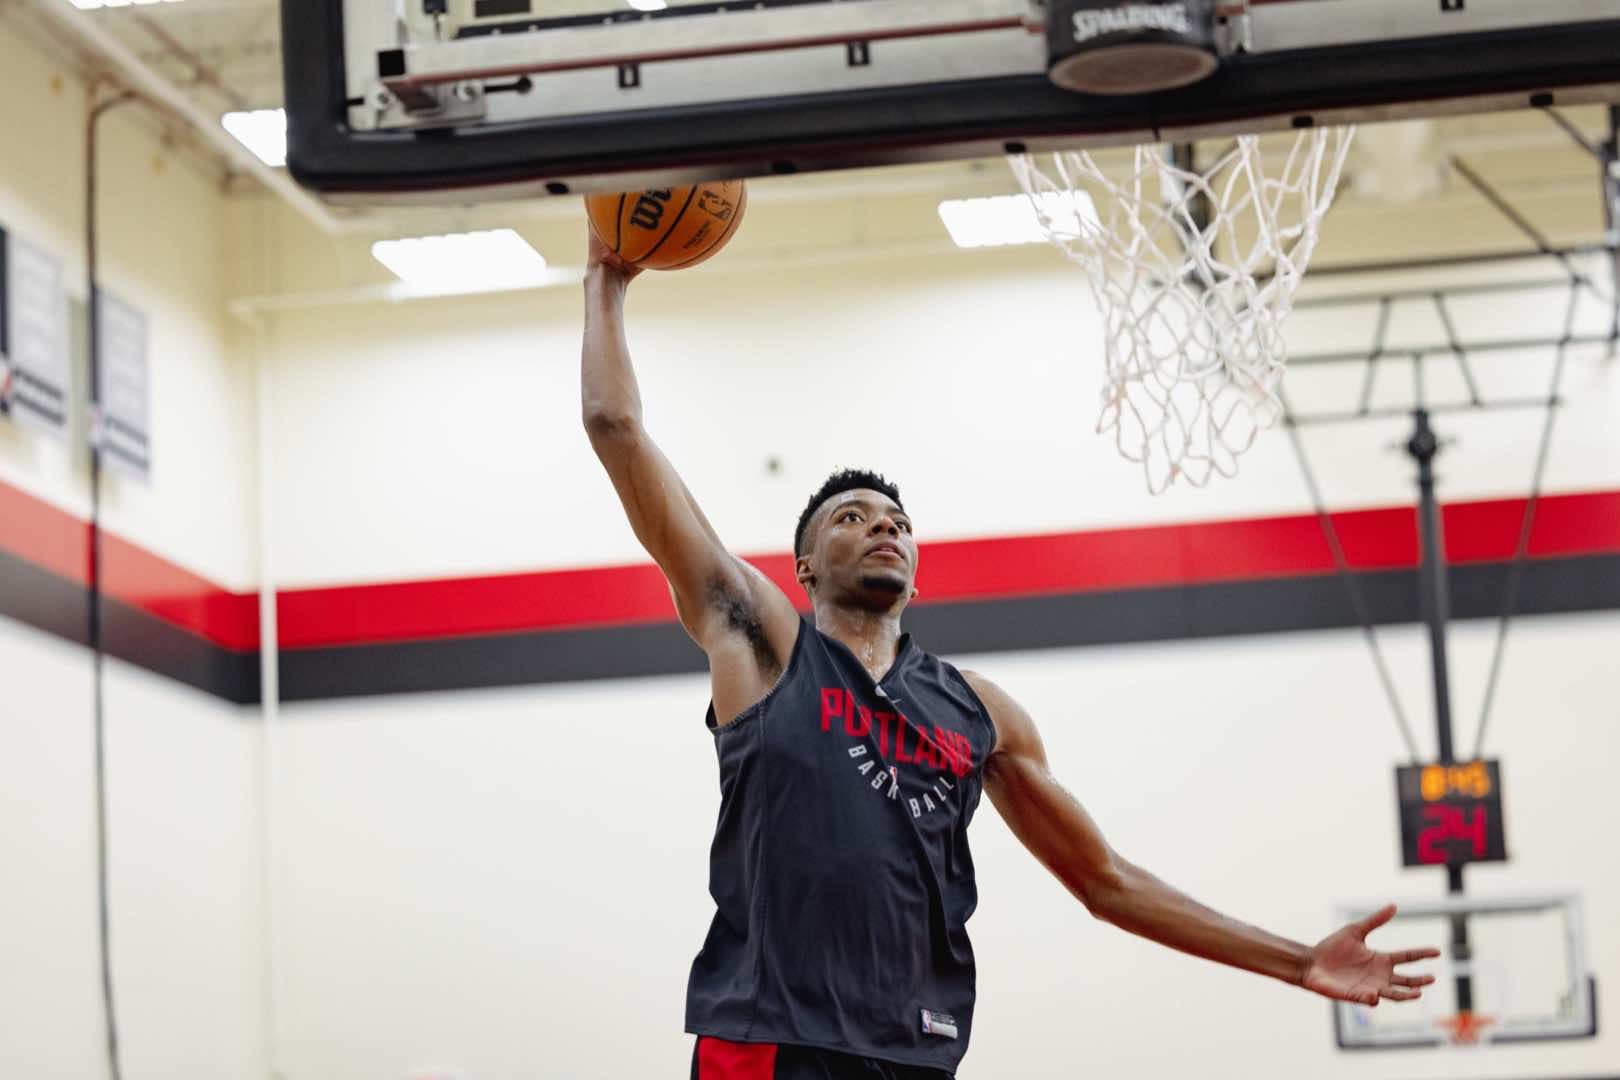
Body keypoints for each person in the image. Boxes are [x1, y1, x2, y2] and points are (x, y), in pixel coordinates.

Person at [580, 231, 1438, 1080]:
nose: (884, 524)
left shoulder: (980, 714)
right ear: (803, 566)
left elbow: (1106, 882)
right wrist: (607, 279)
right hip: (774, 1040)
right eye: (852, 516)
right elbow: (615, 426)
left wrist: (1296, 961)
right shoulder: (763, 643)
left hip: (915, 1053)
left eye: (898, 521)